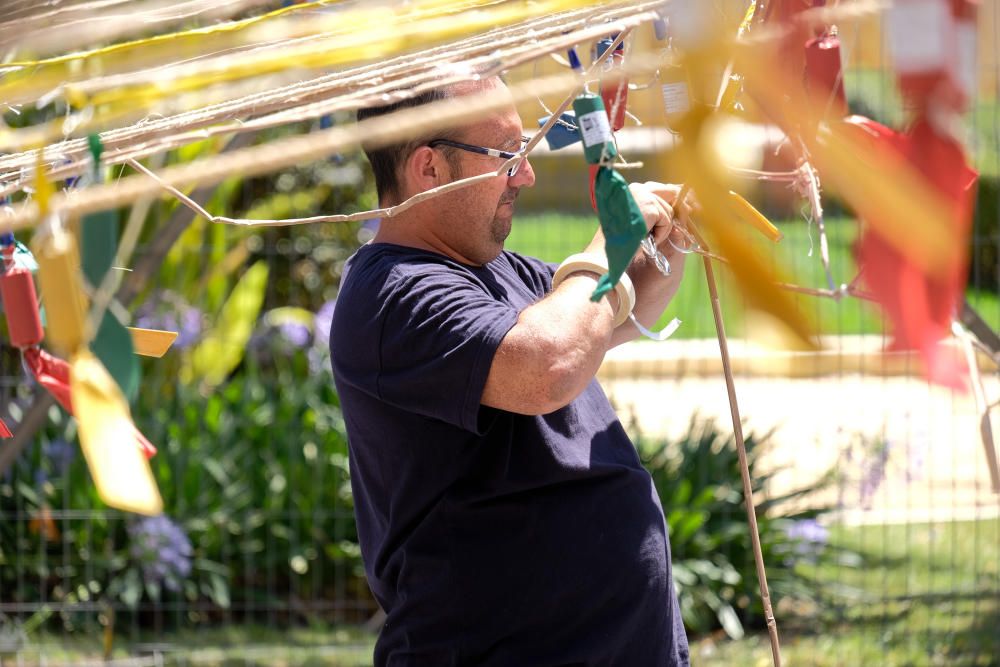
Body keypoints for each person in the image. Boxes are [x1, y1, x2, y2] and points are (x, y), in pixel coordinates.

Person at [330, 74, 691, 666]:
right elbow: (549, 366)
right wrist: (604, 249)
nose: (525, 174)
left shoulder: (492, 266)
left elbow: (606, 320)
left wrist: (665, 241)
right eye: (508, 156)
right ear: (429, 168)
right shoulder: (393, 293)